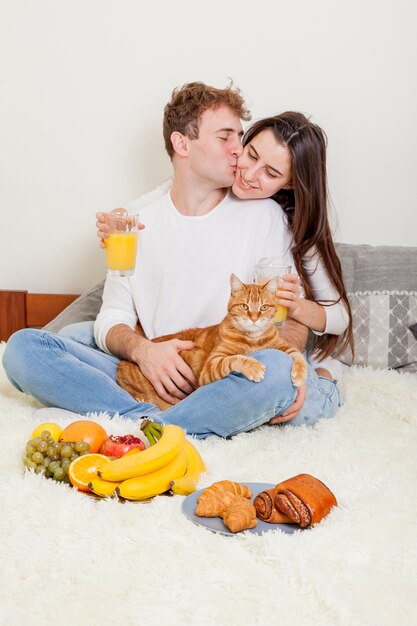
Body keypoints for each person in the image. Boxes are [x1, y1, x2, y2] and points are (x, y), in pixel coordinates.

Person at [2, 82, 350, 438]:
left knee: (277, 372)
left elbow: (287, 316)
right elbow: (113, 318)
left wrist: (290, 361)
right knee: (23, 349)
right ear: (182, 144)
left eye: (240, 136)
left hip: (225, 370)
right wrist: (145, 352)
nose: (239, 152)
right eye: (226, 137)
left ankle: (149, 425)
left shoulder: (265, 216)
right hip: (155, 373)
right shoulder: (132, 225)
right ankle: (169, 420)